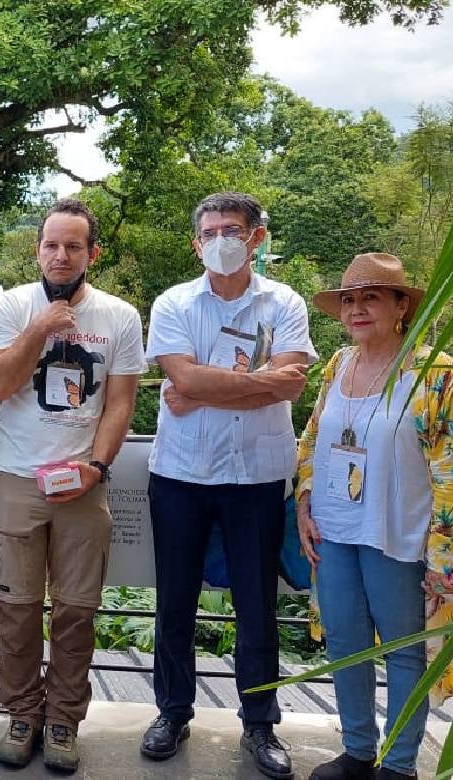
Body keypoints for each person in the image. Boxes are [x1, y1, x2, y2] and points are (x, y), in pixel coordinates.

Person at [140, 191, 316, 780]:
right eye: (210, 232)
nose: (222, 241)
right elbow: (182, 377)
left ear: (256, 237)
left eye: (233, 230)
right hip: (180, 476)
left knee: (257, 606)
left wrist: (198, 390)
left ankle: (260, 723)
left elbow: (292, 383)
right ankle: (172, 712)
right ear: (197, 244)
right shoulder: (173, 302)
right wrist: (258, 381)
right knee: (175, 601)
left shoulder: (284, 302)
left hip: (257, 477)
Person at [0, 198, 145, 771]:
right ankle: (22, 713)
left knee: (75, 612)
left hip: (83, 482)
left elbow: (120, 403)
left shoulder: (119, 317)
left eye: (73, 246)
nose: (60, 255)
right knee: (17, 609)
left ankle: (63, 720)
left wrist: (97, 467)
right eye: (51, 244)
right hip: (18, 477)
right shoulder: (12, 305)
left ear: (92, 253)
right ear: (37, 250)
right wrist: (40, 327)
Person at [295, 252, 453, 780]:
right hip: (335, 530)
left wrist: (444, 552)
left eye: (371, 297)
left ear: (401, 307)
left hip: (400, 535)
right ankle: (357, 752)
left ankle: (398, 764)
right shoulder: (338, 365)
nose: (357, 309)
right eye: (349, 299)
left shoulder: (435, 373)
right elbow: (312, 436)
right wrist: (303, 502)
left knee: (403, 649)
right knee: (345, 643)